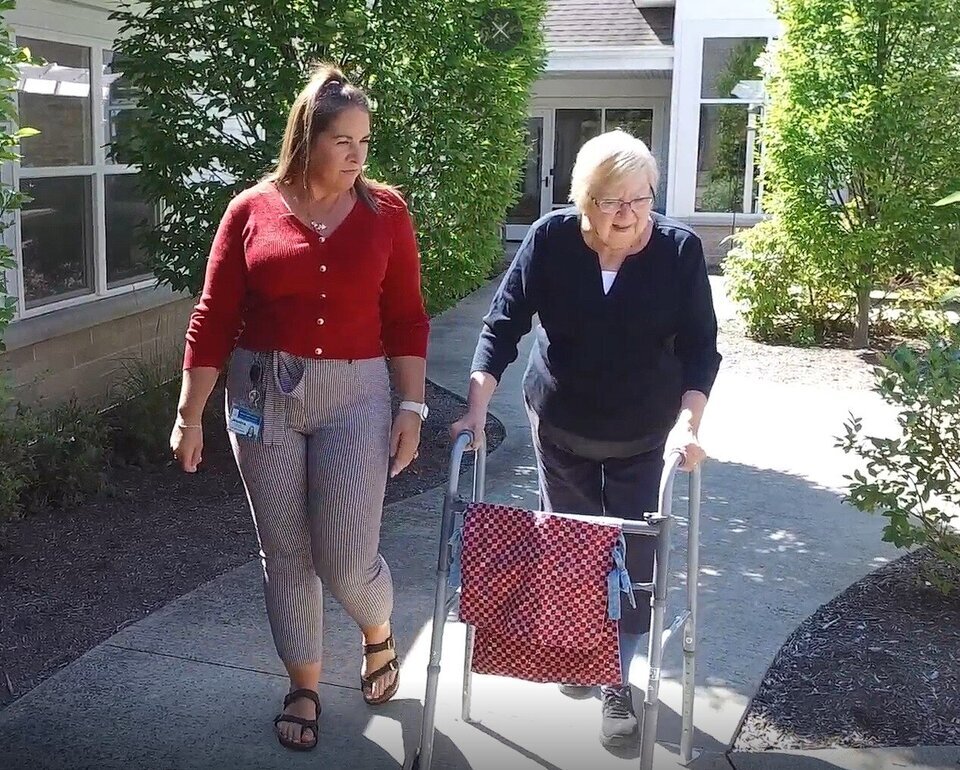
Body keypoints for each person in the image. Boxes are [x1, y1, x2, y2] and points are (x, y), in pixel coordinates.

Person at [169, 63, 430, 752]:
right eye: (343, 140)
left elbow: (406, 317)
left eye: (365, 141)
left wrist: (412, 406)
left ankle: (377, 631)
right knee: (285, 551)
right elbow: (213, 317)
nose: (357, 155)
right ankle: (304, 685)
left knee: (344, 557)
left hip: (356, 397)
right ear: (307, 138)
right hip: (263, 396)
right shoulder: (249, 211)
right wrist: (190, 414)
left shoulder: (387, 213)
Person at [451, 129, 721, 751]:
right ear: (584, 199)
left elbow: (701, 350)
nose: (628, 214)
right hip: (562, 424)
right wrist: (475, 410)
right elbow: (503, 325)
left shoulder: (678, 251)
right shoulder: (551, 239)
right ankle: (580, 651)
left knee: (633, 558)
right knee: (571, 545)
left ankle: (615, 680)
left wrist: (689, 425)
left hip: (644, 432)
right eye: (611, 201)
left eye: (640, 198)